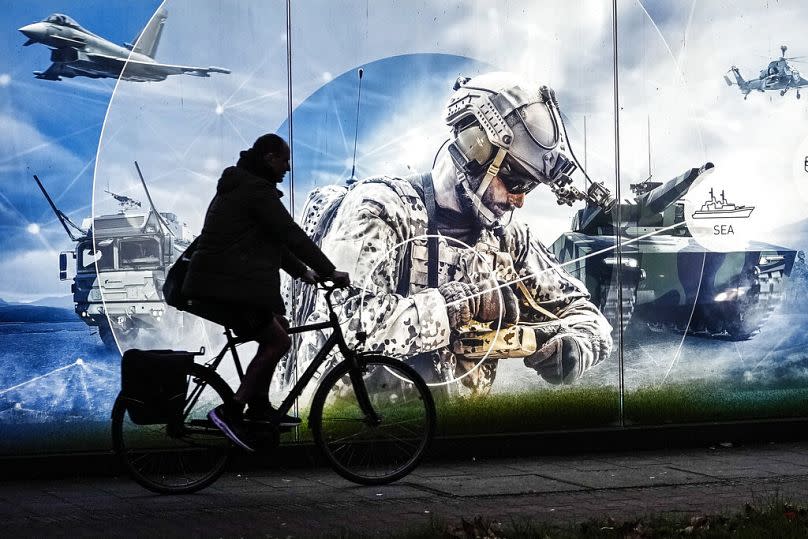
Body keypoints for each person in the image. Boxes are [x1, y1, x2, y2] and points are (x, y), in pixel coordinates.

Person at [294, 72, 613, 394]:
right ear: (476, 149)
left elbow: (586, 315)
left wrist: (578, 344)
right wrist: (458, 306)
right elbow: (344, 324)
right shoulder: (379, 209)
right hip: (360, 430)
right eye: (515, 182)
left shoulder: (508, 237)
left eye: (528, 187)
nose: (519, 199)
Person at [182, 133, 349, 451]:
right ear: (270, 158)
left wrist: (304, 272)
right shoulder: (255, 190)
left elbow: (274, 242)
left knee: (279, 328)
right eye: (284, 160)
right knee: (279, 341)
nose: (287, 167)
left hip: (222, 285)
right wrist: (329, 271)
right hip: (225, 288)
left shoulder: (245, 186)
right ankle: (230, 411)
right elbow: (290, 234)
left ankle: (259, 410)